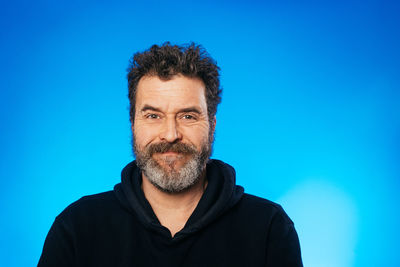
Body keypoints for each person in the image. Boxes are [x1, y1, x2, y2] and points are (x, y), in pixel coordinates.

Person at [38, 42, 303, 266]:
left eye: (188, 115)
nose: (170, 134)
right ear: (133, 124)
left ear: (212, 125)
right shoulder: (77, 227)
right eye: (153, 115)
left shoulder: (269, 228)